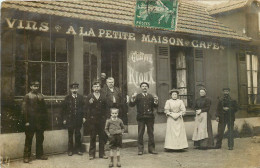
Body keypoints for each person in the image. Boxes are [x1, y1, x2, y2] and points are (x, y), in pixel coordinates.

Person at [22, 81, 48, 163]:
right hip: (30, 121)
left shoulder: (41, 96)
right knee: (29, 139)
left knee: (40, 138)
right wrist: (26, 121)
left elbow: (44, 109)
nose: (36, 88)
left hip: (39, 122)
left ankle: (39, 155)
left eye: (37, 86)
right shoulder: (27, 96)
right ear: (31, 87)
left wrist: (44, 120)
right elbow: (24, 110)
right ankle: (26, 156)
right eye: (34, 86)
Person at [129, 82, 159, 155]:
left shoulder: (151, 96)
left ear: (148, 88)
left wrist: (156, 101)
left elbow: (155, 106)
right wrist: (132, 98)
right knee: (140, 134)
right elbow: (131, 105)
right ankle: (140, 149)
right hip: (141, 118)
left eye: (146, 86)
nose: (144, 87)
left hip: (150, 117)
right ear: (141, 88)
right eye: (143, 86)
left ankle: (151, 149)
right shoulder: (138, 96)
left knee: (151, 133)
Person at [86, 81, 108, 159]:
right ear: (92, 88)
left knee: (102, 137)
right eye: (95, 86)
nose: (96, 88)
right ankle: (91, 154)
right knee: (92, 137)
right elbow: (86, 109)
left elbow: (106, 108)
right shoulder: (89, 96)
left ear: (100, 87)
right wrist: (89, 103)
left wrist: (105, 118)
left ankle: (102, 154)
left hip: (101, 120)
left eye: (98, 86)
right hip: (92, 120)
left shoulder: (103, 96)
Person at [62, 82, 86, 156]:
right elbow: (64, 110)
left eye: (76, 88)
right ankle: (70, 150)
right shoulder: (67, 98)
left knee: (78, 134)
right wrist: (64, 119)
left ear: (78, 89)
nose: (74, 90)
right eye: (73, 88)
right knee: (70, 135)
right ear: (70, 89)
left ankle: (78, 149)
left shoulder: (81, 97)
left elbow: (84, 108)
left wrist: (84, 117)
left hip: (78, 119)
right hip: (70, 119)